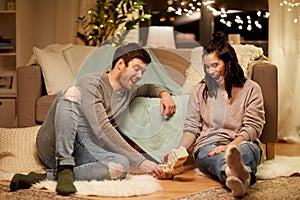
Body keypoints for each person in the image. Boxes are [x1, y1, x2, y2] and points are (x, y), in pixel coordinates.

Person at [10, 43, 176, 196]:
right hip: (55, 144)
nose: (140, 75)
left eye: (143, 72)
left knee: (120, 167)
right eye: (136, 69)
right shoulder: (91, 83)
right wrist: (141, 161)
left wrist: (165, 95)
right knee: (71, 91)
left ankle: (45, 176)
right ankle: (64, 164)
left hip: (84, 152)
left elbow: (149, 87)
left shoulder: (129, 91)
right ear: (120, 65)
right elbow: (102, 129)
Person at [162, 32, 265, 197]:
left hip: (242, 142)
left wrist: (231, 145)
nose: (211, 71)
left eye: (215, 65)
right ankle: (236, 175)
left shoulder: (251, 89)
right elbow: (192, 127)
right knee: (211, 156)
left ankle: (234, 175)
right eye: (207, 67)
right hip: (208, 145)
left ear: (228, 62)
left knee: (246, 150)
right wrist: (178, 151)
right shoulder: (200, 91)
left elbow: (253, 127)